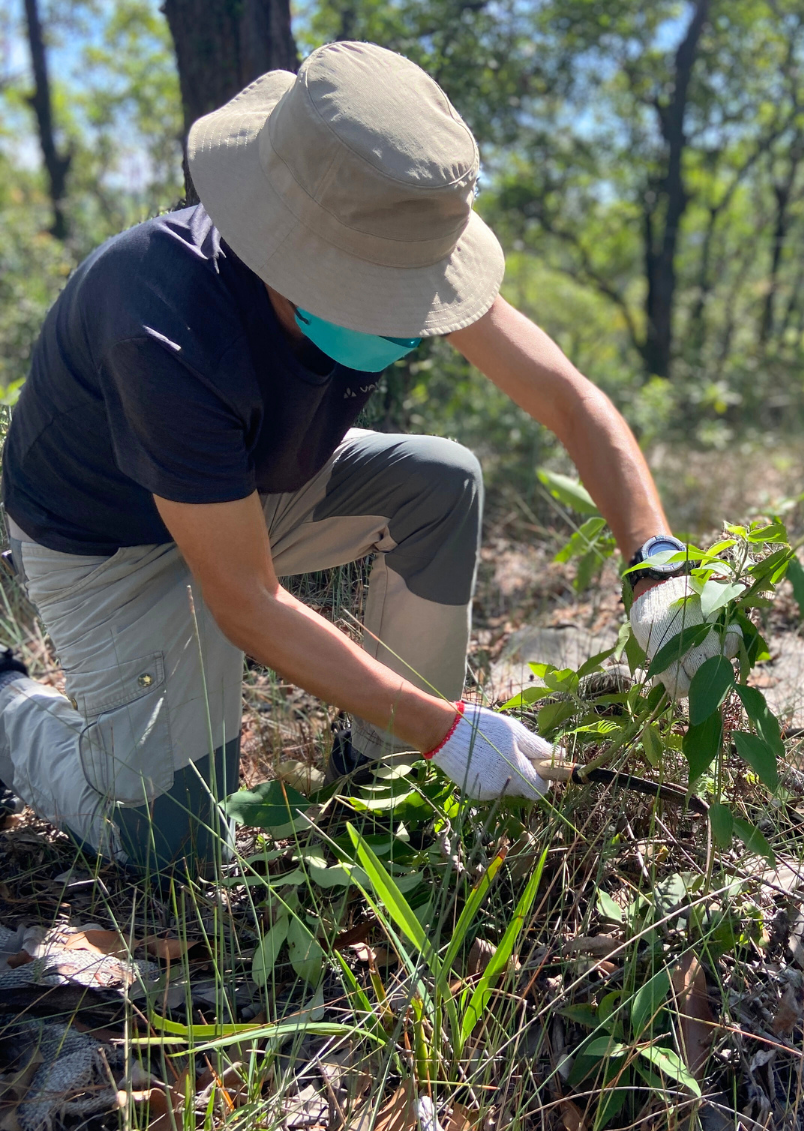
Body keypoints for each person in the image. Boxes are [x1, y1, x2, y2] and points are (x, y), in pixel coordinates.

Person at [0, 42, 702, 874]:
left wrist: (658, 568)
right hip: (112, 541)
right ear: (294, 253)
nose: (411, 324)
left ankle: (379, 776)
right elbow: (245, 600)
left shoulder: (390, 236)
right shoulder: (158, 328)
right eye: (384, 299)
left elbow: (573, 402)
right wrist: (444, 725)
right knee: (175, 844)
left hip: (247, 490)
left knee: (440, 482)